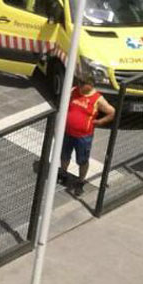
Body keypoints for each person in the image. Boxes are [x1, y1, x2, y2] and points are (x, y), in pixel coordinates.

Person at [60, 68, 115, 196]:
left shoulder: (97, 99)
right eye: (79, 82)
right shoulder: (74, 92)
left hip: (83, 137)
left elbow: (111, 112)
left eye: (82, 83)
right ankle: (63, 173)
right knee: (64, 155)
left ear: (90, 84)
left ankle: (80, 181)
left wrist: (100, 122)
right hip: (68, 132)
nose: (79, 85)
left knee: (82, 160)